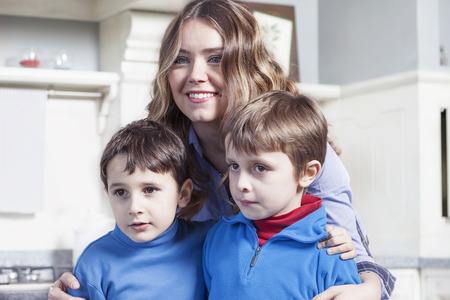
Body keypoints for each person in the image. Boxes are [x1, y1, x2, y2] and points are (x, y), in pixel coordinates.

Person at [49, 0, 395, 299]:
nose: (196, 74)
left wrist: (369, 288)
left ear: (245, 65)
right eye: (181, 59)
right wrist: (83, 286)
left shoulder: (299, 153)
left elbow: (349, 249)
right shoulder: (167, 154)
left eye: (216, 58)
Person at [203, 90, 362, 298]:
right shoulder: (217, 237)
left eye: (260, 168)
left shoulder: (331, 253)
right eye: (234, 166)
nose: (241, 183)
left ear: (306, 173)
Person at [68, 119, 213, 299]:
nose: (134, 208)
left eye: (150, 190)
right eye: (120, 192)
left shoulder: (210, 240)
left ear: (183, 194)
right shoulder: (94, 263)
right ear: (108, 194)